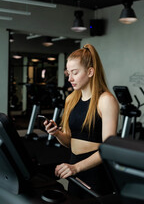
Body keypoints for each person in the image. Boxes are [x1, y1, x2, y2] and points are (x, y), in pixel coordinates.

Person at [44, 43, 119, 199]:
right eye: (68, 73)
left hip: (96, 172)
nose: (70, 78)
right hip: (74, 166)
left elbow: (108, 149)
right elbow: (71, 142)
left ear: (90, 71)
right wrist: (57, 133)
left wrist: (76, 167)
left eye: (75, 73)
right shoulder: (71, 99)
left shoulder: (105, 100)